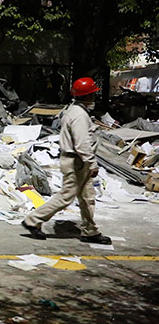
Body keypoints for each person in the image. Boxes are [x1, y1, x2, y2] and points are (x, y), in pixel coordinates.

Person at [22, 77, 112, 244]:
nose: (94, 98)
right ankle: (32, 221)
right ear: (88, 96)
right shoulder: (79, 115)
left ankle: (90, 231)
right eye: (93, 94)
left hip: (76, 160)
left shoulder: (72, 111)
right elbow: (81, 143)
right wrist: (92, 163)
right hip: (77, 161)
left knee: (87, 197)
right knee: (66, 196)